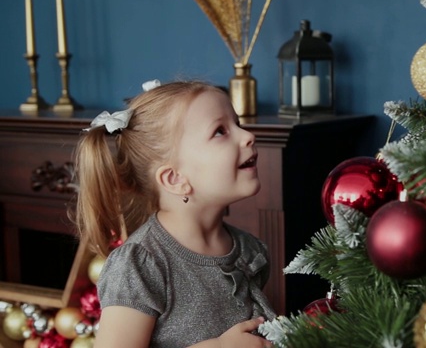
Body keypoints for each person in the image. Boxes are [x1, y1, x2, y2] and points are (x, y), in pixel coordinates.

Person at [73, 79, 276, 348]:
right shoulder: (142, 265)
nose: (247, 135)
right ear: (174, 179)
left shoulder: (249, 250)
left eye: (237, 123)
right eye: (220, 131)